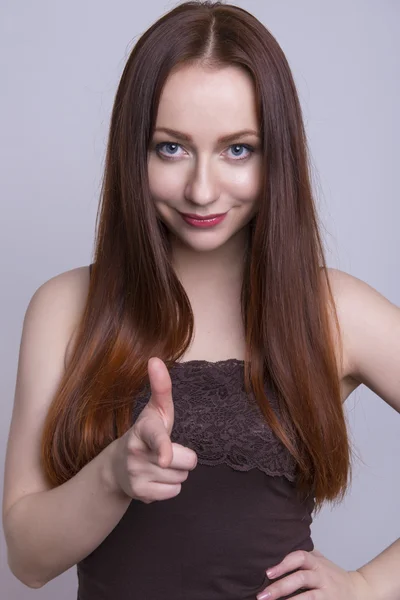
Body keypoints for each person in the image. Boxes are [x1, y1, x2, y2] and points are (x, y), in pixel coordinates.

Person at [3, 2, 400, 599]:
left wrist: (369, 586)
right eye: (171, 148)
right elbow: (28, 560)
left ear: (277, 156)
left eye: (238, 149)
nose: (202, 188)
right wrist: (114, 474)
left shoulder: (330, 310)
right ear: (132, 150)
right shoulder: (64, 307)